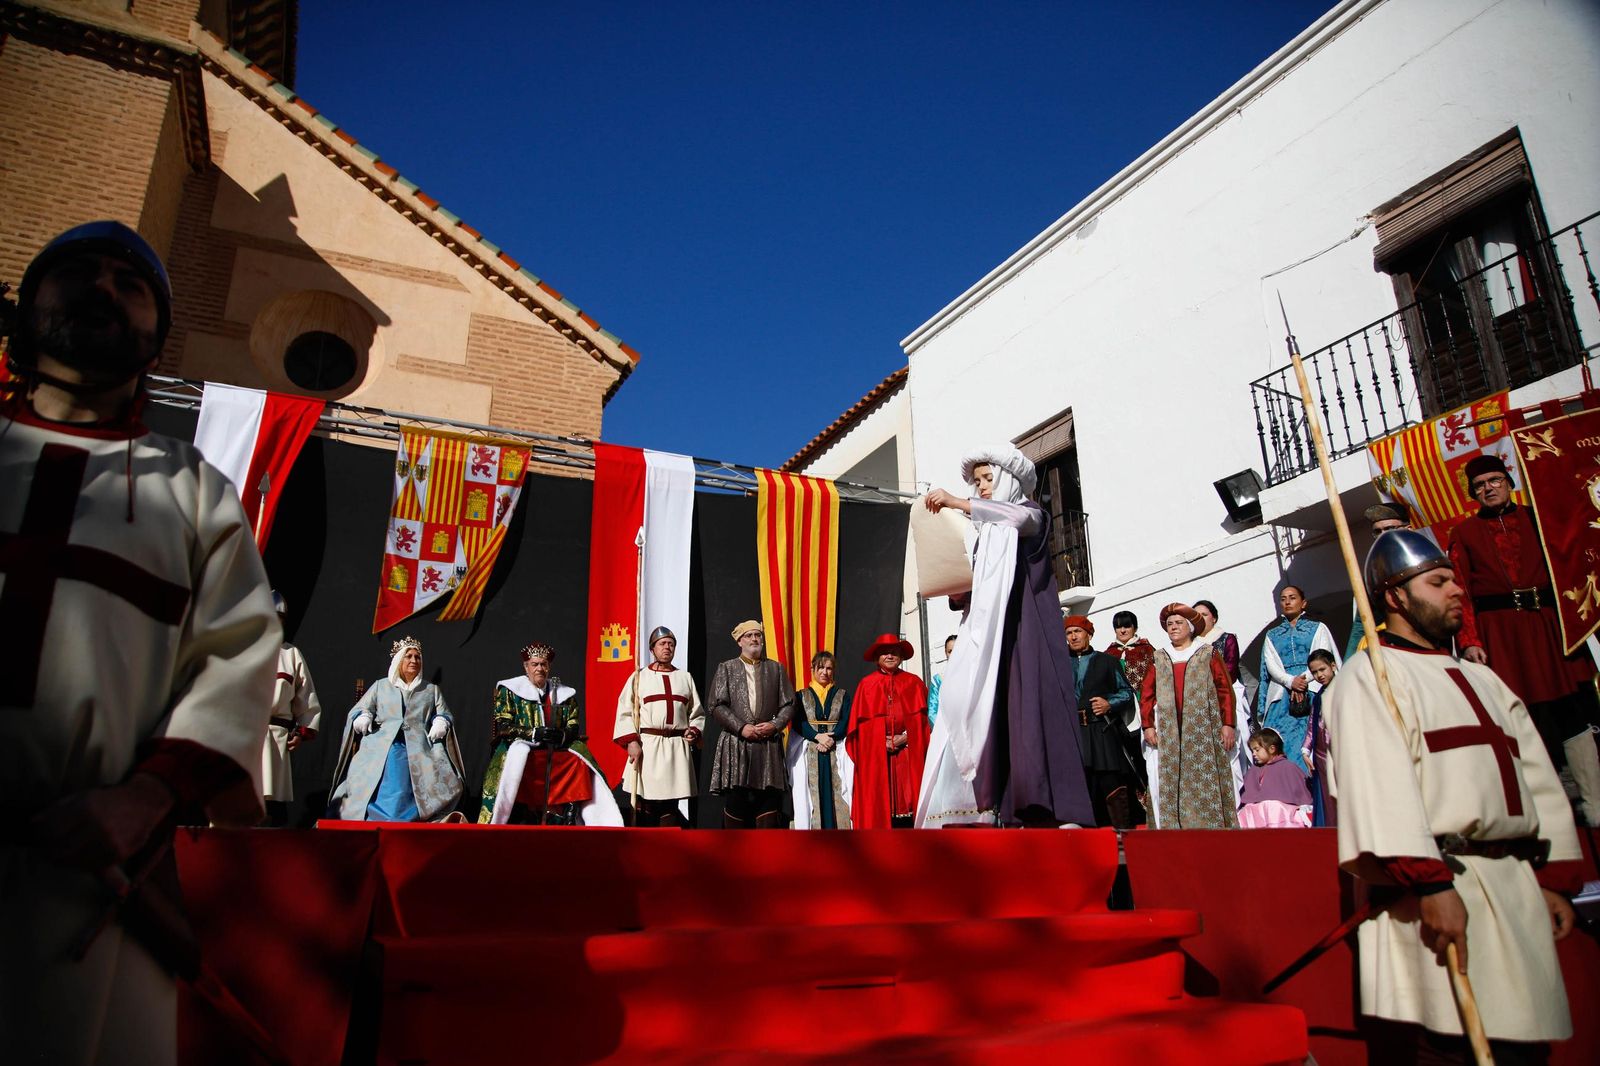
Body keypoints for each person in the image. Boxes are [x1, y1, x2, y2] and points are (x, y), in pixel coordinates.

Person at [1, 221, 281, 1065]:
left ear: (156, 338)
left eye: (130, 286)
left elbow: (236, 656)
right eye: (79, 274)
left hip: (94, 867)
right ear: (27, 308)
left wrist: (148, 798)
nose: (103, 289)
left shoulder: (193, 492)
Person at [1329, 528, 1582, 1060]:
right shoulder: (1371, 676)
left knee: (1524, 1049)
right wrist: (1429, 884)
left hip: (1515, 888)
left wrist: (1554, 876)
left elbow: (1537, 779)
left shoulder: (1485, 679)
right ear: (1396, 597)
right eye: (1438, 582)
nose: (1457, 591)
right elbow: (1380, 787)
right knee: (1450, 1047)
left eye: (1455, 580)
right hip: (1437, 889)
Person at [917, 445, 1095, 828]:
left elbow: (1014, 518)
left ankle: (1057, 807)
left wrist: (956, 502)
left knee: (1034, 708)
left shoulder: (1031, 514)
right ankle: (1004, 806)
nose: (982, 486)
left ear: (1009, 480)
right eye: (977, 481)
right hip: (993, 633)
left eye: (988, 478)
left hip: (1028, 629)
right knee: (993, 712)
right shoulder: (984, 534)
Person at [1448, 453, 1600, 826]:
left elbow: (1574, 562)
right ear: (1473, 493)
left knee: (1573, 711)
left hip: (1550, 627)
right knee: (1523, 718)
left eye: (1495, 480)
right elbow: (1460, 591)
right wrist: (1469, 640)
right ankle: (1549, 813)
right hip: (1502, 636)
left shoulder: (1538, 518)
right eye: (1480, 485)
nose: (1488, 489)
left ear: (1509, 482)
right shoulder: (1464, 534)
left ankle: (1595, 807)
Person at [478, 641, 620, 826]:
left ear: (549, 667)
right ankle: (521, 812)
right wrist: (534, 733)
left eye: (543, 664)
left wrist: (562, 735)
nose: (539, 669)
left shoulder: (564, 695)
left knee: (578, 760)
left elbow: (573, 725)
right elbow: (503, 726)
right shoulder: (509, 691)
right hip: (522, 745)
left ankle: (570, 813)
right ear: (526, 667)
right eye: (535, 664)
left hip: (556, 747)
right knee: (518, 760)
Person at [330, 637, 465, 822]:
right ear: (399, 660)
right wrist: (363, 716)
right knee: (393, 760)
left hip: (421, 745)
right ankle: (379, 814)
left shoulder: (431, 689)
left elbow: (444, 713)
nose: (414, 660)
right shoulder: (380, 686)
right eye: (408, 656)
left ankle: (413, 815)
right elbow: (360, 709)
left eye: (417, 657)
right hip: (382, 742)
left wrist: (441, 721)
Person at [1140, 603, 1238, 829]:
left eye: (1178, 623)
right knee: (1171, 776)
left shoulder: (1207, 653)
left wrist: (1228, 724)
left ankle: (1210, 824)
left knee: (1203, 775)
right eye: (1169, 624)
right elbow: (1146, 694)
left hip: (1203, 729)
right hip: (1169, 731)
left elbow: (1224, 689)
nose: (1173, 627)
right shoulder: (1159, 657)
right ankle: (1174, 825)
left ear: (1191, 627)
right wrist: (1148, 725)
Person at [707, 620, 794, 828]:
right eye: (749, 635)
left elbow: (789, 704)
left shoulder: (775, 669)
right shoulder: (727, 668)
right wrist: (741, 727)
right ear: (739, 641)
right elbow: (716, 705)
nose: (754, 639)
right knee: (737, 803)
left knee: (768, 804)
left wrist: (775, 725)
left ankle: (766, 848)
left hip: (767, 746)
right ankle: (734, 848)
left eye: (758, 635)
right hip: (737, 744)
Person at [614, 627, 704, 827]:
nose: (667, 648)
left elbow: (697, 713)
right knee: (647, 801)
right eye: (662, 644)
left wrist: (693, 730)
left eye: (671, 644)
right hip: (649, 746)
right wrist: (631, 741)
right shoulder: (639, 677)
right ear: (652, 649)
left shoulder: (685, 677)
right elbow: (625, 711)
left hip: (676, 747)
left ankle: (668, 841)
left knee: (671, 803)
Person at [1064, 616, 1142, 829]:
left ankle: (1121, 834)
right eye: (1069, 633)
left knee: (1111, 782)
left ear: (1089, 635)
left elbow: (1127, 693)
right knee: (1080, 783)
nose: (1073, 636)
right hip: (1071, 733)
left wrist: (1109, 703)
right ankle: (1085, 834)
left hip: (1102, 730)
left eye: (1078, 631)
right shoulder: (1058, 664)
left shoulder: (1107, 661)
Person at [848, 634, 931, 829]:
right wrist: (879, 741)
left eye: (894, 651)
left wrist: (907, 737)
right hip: (877, 757)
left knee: (911, 803)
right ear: (877, 657)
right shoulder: (866, 685)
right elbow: (858, 732)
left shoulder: (914, 683)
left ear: (901, 656)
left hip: (908, 754)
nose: (890, 655)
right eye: (885, 652)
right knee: (879, 806)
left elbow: (925, 725)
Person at [1256, 585, 1340, 774]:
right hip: (1282, 694)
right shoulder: (1272, 635)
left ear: (1303, 603)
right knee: (1279, 741)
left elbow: (1323, 655)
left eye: (1292, 597)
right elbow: (1271, 663)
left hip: (1313, 687)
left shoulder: (1317, 628)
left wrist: (1303, 680)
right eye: (1283, 598)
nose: (1287, 602)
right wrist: (1289, 681)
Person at [262, 591, 322, 827]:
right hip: (244, 737)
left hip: (275, 740)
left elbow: (306, 698)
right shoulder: (240, 651)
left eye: (278, 618)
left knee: (271, 806)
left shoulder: (291, 655)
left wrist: (300, 733)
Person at [788, 650, 853, 829]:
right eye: (821, 668)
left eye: (829, 668)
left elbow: (846, 719)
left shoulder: (842, 695)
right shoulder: (801, 695)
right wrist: (817, 736)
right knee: (811, 792)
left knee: (838, 789)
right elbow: (798, 722)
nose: (825, 672)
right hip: (810, 749)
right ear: (813, 669)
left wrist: (831, 738)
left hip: (836, 749)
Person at [1195, 598, 1251, 803]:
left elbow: (1230, 668)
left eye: (1204, 614)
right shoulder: (1191, 644)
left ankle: (1242, 794)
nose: (1200, 619)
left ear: (1214, 618)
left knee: (1236, 744)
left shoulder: (1226, 638)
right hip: (1200, 700)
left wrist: (1207, 683)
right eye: (1195, 616)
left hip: (1227, 694)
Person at [1346, 502, 1411, 658]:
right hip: (1391, 652)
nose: (1382, 535)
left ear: (1408, 529)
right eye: (1377, 531)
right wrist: (1349, 662)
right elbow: (1362, 622)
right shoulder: (1373, 574)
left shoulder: (1426, 560)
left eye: (1389, 529)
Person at [1237, 728, 1313, 828]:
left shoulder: (1288, 767)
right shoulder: (1254, 770)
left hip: (1281, 816)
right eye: (1252, 750)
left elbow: (1302, 797)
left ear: (1272, 749)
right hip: (1255, 819)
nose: (1254, 754)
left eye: (1257, 750)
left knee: (1274, 807)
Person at [1303, 649, 1337, 827]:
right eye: (1315, 672)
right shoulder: (1318, 696)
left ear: (1333, 666)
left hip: (1341, 750)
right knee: (1326, 795)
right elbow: (1312, 724)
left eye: (1322, 669)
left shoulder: (1345, 689)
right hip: (1322, 752)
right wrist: (1305, 750)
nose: (1319, 675)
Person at [926, 634, 957, 726]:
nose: (954, 654)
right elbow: (932, 712)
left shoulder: (973, 675)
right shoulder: (938, 680)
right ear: (945, 653)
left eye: (957, 650)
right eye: (950, 651)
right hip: (946, 730)